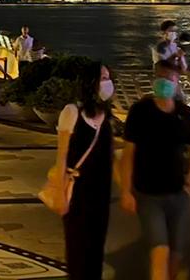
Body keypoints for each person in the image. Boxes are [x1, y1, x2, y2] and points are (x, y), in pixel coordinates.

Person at [121, 63, 190, 280]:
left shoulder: (185, 114)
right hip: (148, 194)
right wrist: (126, 191)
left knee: (175, 255)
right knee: (160, 251)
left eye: (169, 78)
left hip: (178, 194)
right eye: (160, 77)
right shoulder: (140, 111)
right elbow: (128, 154)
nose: (164, 82)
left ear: (177, 83)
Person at [48, 61, 115, 280]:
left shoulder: (106, 117)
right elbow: (62, 156)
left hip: (102, 194)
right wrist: (59, 195)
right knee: (78, 250)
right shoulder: (72, 112)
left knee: (96, 251)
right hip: (77, 193)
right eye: (103, 78)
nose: (108, 83)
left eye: (108, 77)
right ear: (91, 82)